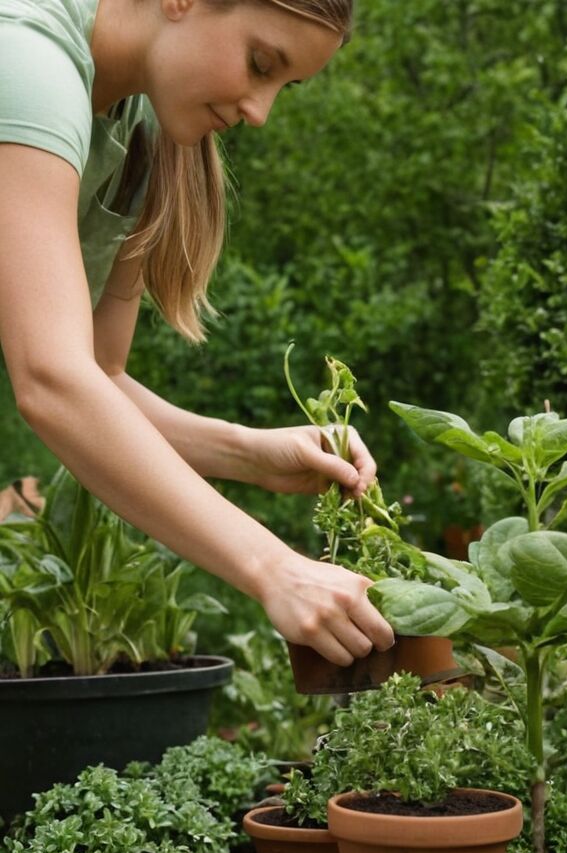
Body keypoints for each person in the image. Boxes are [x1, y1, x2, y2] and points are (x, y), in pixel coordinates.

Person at [0, 0, 395, 666]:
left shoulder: (139, 130)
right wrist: (273, 567)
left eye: (282, 86)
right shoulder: (26, 64)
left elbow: (99, 378)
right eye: (260, 64)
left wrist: (248, 454)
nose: (260, 111)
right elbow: (51, 381)